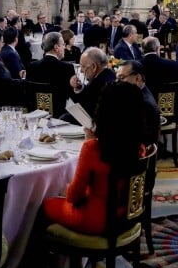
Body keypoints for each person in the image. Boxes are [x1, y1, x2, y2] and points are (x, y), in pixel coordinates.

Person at [42, 82, 146, 235]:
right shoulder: (139, 147)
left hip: (96, 220)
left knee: (44, 205)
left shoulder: (93, 149)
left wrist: (66, 190)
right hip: (126, 215)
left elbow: (74, 196)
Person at [116, 60, 160, 146]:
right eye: (117, 78)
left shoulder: (143, 103)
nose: (117, 82)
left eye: (121, 78)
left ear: (137, 78)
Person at [66, 47, 116, 118]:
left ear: (94, 67)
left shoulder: (99, 84)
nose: (81, 71)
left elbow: (84, 110)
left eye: (83, 66)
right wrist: (79, 87)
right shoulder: (109, 74)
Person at [140, 36, 178, 102]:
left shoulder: (137, 65)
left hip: (144, 105)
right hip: (167, 105)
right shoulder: (171, 64)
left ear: (142, 49)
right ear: (157, 48)